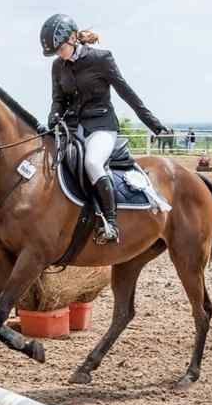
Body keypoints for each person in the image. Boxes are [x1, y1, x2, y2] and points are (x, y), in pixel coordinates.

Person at [42, 14, 169, 244]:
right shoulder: (57, 66)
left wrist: (153, 123)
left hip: (101, 126)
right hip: (72, 128)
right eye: (55, 52)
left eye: (60, 48)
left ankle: (110, 223)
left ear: (73, 38)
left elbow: (126, 93)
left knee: (92, 162)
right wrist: (54, 115)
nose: (59, 54)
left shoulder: (101, 59)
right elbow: (58, 99)